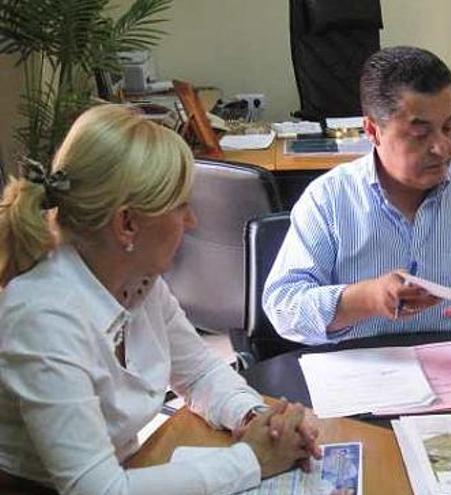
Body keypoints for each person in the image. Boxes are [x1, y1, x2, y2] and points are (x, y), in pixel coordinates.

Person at [0, 105, 321, 494]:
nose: (192, 223)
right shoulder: (43, 317)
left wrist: (257, 419)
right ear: (128, 224)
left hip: (132, 467)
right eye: (181, 207)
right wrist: (252, 460)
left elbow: (200, 373)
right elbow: (96, 489)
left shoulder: (138, 280)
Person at [263, 46, 451, 345]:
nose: (441, 147)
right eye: (420, 134)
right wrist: (367, 299)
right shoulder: (329, 199)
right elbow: (284, 306)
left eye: (449, 127)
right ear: (373, 131)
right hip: (362, 371)